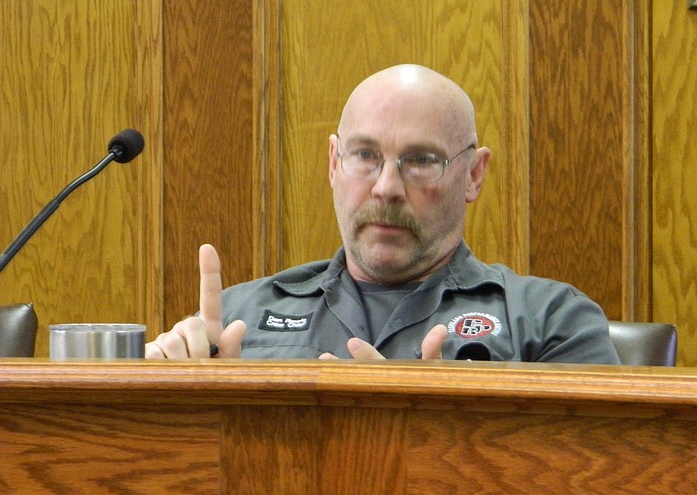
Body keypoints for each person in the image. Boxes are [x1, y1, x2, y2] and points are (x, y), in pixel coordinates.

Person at [145, 64, 620, 364]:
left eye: (421, 161)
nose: (387, 187)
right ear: (334, 164)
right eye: (365, 155)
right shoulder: (235, 320)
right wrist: (193, 405)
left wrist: (429, 428)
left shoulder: (550, 322)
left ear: (474, 174)